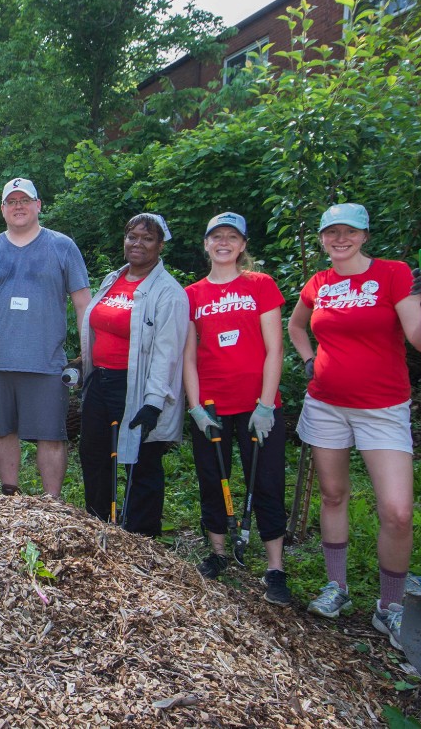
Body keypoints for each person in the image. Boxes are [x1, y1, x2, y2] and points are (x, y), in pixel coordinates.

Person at [287, 203, 421, 650]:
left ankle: (390, 607)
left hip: (383, 408)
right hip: (326, 406)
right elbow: (297, 326)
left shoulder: (394, 274)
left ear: (364, 235)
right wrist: (306, 359)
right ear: (322, 238)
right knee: (334, 495)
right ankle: (336, 587)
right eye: (332, 232)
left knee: (397, 512)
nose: (341, 239)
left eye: (350, 231)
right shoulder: (318, 283)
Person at [0, 178, 91, 497]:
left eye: (25, 200)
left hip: (45, 362)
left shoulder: (62, 246)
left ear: (38, 205)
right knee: (2, 431)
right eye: (11, 201)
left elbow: (83, 302)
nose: (19, 206)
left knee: (52, 435)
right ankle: (10, 496)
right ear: (3, 209)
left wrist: (86, 356)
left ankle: (51, 503)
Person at [183, 212, 291, 606]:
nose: (224, 243)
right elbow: (188, 357)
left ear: (243, 245)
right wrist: (195, 407)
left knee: (266, 482)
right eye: (216, 237)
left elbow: (275, 348)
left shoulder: (260, 285)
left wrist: (265, 404)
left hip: (256, 407)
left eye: (232, 237)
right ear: (207, 244)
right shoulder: (192, 294)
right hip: (211, 407)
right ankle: (217, 553)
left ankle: (275, 568)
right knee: (213, 478)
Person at [77, 213, 187, 536]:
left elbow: (168, 352)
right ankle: (98, 525)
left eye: (147, 238)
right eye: (132, 236)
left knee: (142, 462)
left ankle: (141, 536)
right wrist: (82, 363)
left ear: (160, 245)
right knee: (94, 454)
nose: (137, 243)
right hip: (100, 381)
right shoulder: (113, 279)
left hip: (136, 385)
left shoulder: (169, 293)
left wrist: (154, 401)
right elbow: (99, 327)